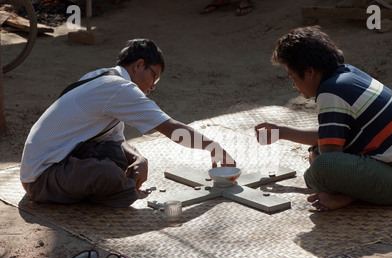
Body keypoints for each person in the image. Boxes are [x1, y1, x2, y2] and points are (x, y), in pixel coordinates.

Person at [20, 39, 236, 208]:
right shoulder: (119, 88)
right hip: (40, 178)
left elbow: (115, 140)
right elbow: (170, 127)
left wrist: (139, 158)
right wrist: (212, 147)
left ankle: (99, 187)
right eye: (155, 77)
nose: (152, 86)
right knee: (111, 176)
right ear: (139, 65)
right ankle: (110, 192)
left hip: (52, 165)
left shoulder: (102, 76)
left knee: (117, 157)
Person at [254, 26, 392, 211]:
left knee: (319, 170)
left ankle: (349, 196)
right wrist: (281, 132)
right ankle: (351, 195)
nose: (294, 85)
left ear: (310, 72)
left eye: (293, 77)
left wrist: (316, 161)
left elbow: (329, 160)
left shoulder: (331, 92)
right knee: (319, 154)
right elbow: (332, 137)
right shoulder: (346, 74)